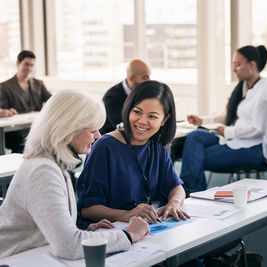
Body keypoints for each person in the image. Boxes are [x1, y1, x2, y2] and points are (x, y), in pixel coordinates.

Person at [0, 90, 149, 259]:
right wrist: (128, 235)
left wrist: (84, 231)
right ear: (68, 130)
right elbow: (69, 246)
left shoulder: (53, 163)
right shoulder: (42, 171)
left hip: (32, 255)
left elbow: (56, 230)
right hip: (12, 259)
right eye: (92, 130)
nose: (98, 136)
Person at [77, 80, 189, 229]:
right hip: (112, 232)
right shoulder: (105, 147)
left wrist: (173, 204)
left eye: (153, 116)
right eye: (137, 112)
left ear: (165, 120)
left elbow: (176, 187)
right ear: (128, 109)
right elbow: (87, 209)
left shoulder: (156, 145)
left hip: (146, 230)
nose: (142, 121)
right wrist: (126, 214)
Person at [180, 45, 267, 193]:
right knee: (195, 136)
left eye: (237, 65)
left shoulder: (265, 93)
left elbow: (259, 130)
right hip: (235, 140)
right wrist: (203, 121)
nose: (234, 69)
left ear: (252, 65)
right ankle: (192, 194)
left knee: (195, 158)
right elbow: (230, 115)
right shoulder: (244, 87)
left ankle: (190, 195)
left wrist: (228, 131)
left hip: (255, 148)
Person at [0, 50, 52, 152]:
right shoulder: (4, 87)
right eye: (26, 64)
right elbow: (3, 108)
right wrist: (4, 112)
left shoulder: (39, 84)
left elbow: (52, 100)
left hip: (35, 125)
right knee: (26, 141)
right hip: (15, 130)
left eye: (32, 65)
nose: (29, 68)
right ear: (18, 63)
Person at [100, 59, 151, 134]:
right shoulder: (111, 97)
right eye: (145, 77)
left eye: (149, 76)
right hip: (113, 140)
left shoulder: (145, 92)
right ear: (131, 78)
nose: (149, 81)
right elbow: (122, 126)